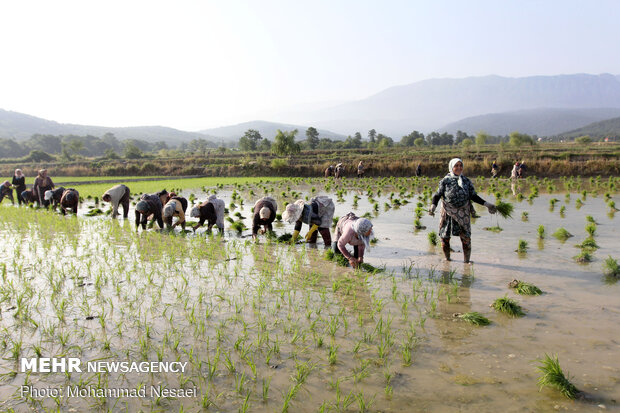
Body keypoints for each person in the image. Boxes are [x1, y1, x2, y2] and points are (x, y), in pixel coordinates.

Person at [429, 158, 497, 263]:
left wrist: (487, 204)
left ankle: (467, 261)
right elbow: (438, 195)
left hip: (463, 213)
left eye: (461, 165)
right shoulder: (445, 181)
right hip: (448, 212)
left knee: (466, 238)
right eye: (456, 165)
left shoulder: (466, 181)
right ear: (451, 167)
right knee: (445, 237)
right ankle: (447, 259)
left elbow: (473, 196)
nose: (459, 168)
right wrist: (433, 205)